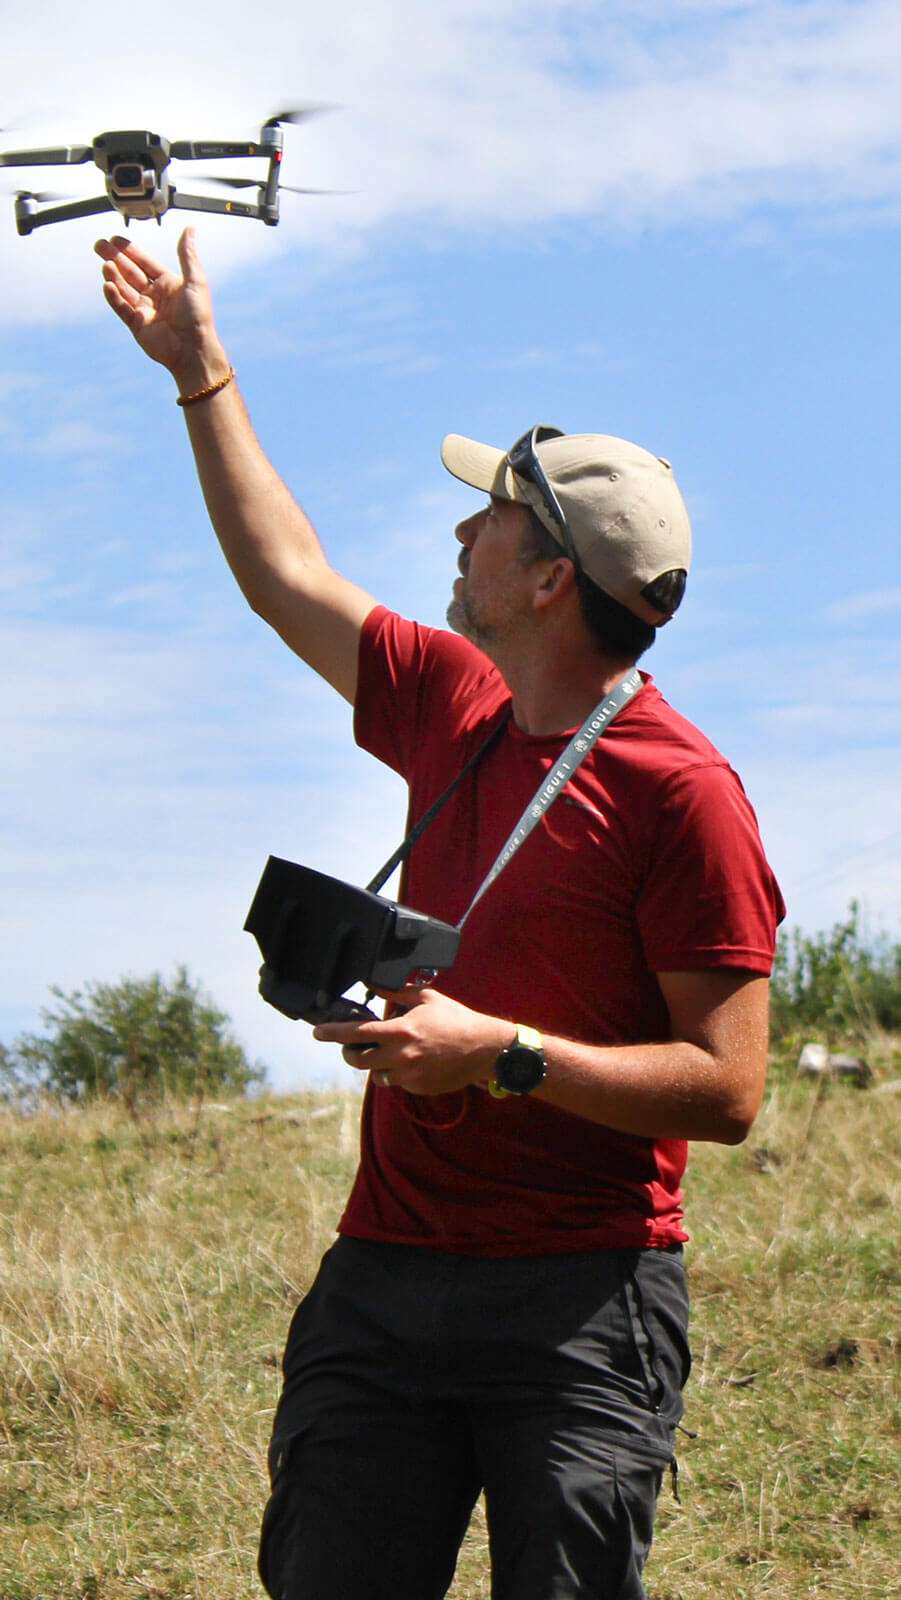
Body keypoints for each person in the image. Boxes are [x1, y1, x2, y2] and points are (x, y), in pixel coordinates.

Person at [96, 227, 785, 1600]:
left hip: (583, 1301)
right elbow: (285, 572)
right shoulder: (456, 705)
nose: (458, 532)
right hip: (387, 1273)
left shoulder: (682, 795)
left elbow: (726, 1088)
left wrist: (504, 1056)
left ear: (546, 583)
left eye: (490, 521)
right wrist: (199, 373)